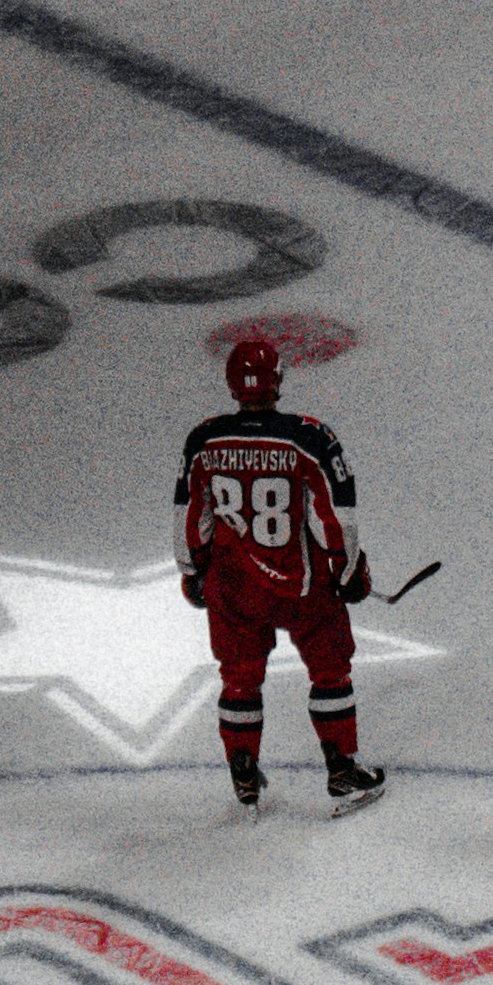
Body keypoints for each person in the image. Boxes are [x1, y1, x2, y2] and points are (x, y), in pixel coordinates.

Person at [173, 337, 384, 815]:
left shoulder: (204, 440)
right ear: (279, 380)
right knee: (330, 669)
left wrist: (191, 571)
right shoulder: (309, 437)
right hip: (301, 586)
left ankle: (244, 778)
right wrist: (349, 570)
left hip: (234, 589)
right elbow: (336, 518)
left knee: (239, 679)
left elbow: (191, 516)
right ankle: (342, 771)